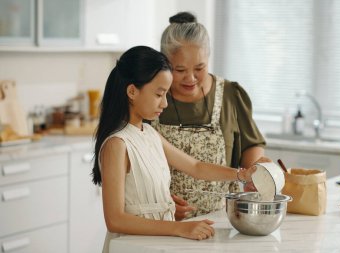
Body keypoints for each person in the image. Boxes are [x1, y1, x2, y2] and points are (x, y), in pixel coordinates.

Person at [91, 46, 257, 253]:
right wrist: (179, 228)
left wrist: (243, 175)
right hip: (130, 246)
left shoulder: (150, 135)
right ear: (132, 91)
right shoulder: (118, 144)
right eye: (159, 94)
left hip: (158, 244)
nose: (165, 103)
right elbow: (115, 220)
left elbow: (196, 167)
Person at [151, 12, 267, 220]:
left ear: (208, 58)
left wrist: (253, 175)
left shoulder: (230, 94)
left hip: (221, 219)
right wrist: (160, 201)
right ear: (165, 63)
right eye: (179, 70)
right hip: (164, 220)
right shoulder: (152, 98)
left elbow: (251, 144)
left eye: (199, 68)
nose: (191, 78)